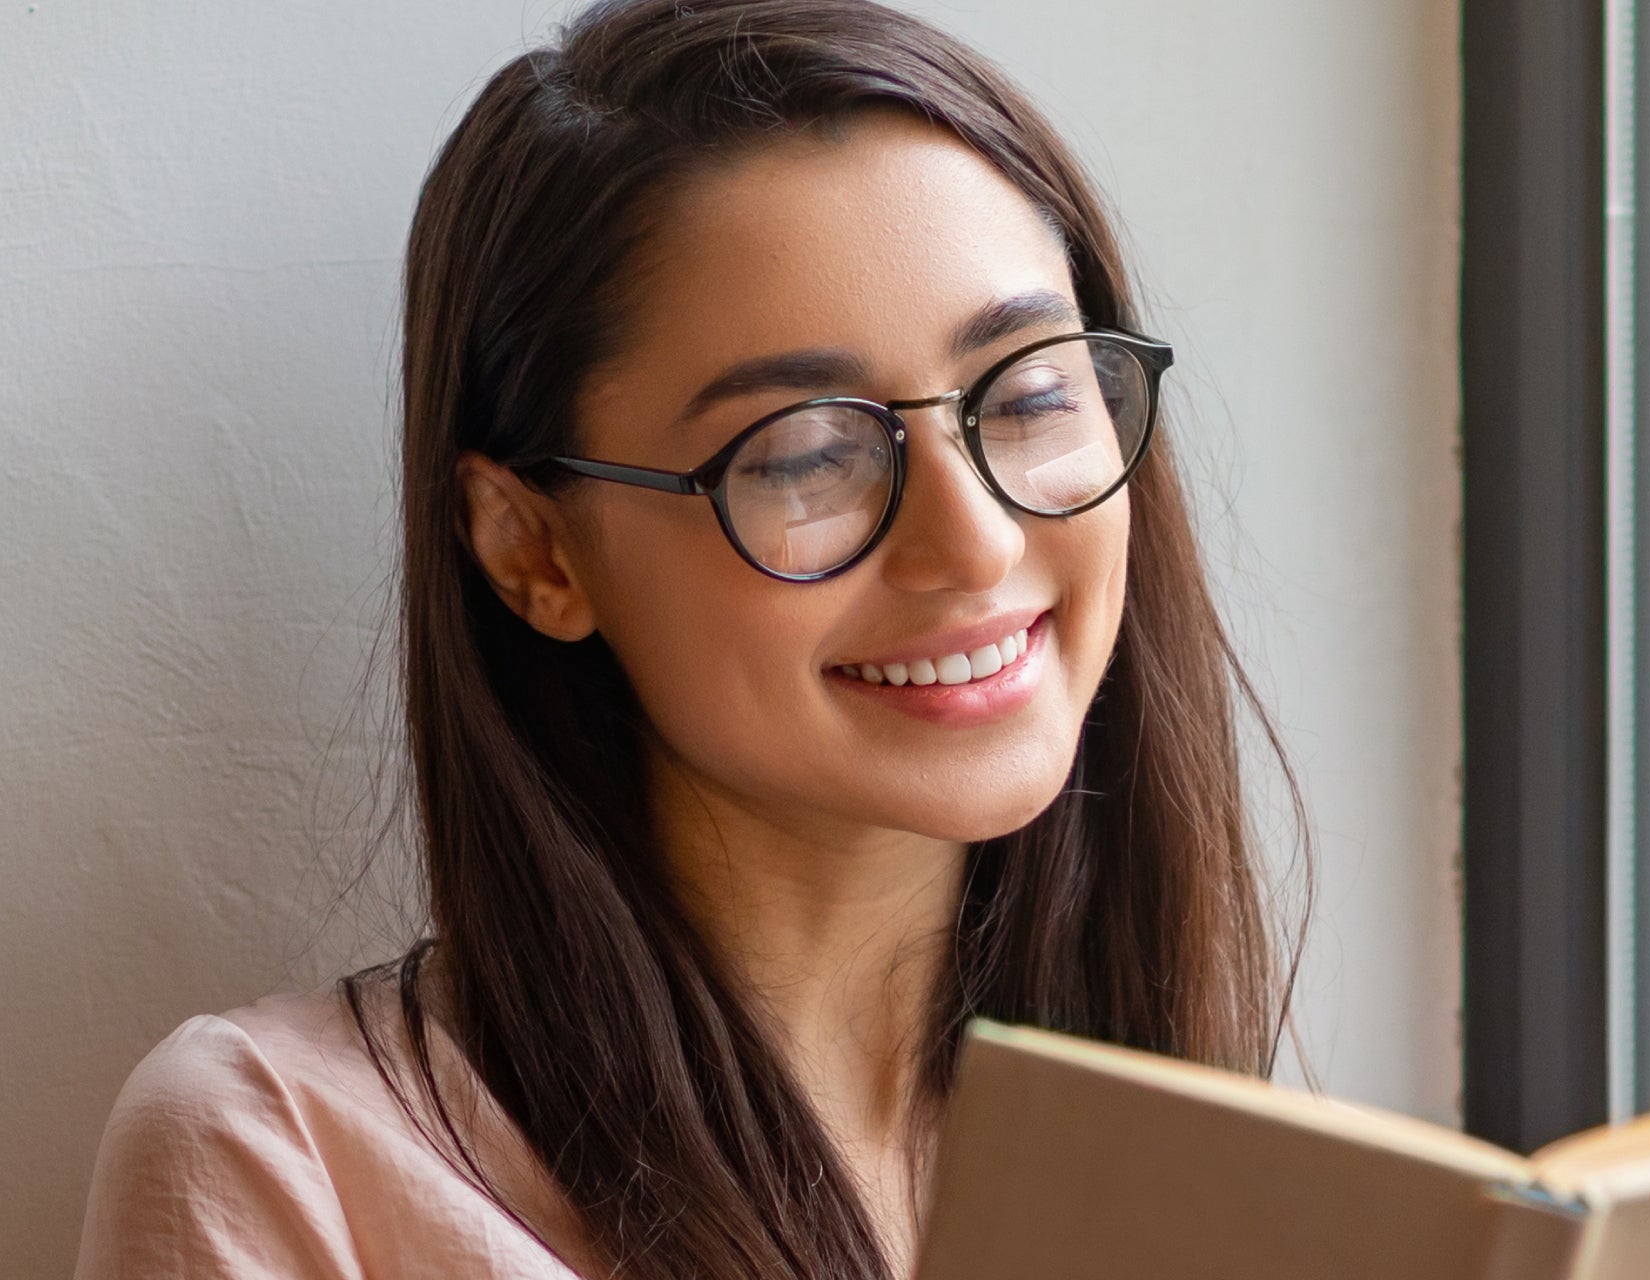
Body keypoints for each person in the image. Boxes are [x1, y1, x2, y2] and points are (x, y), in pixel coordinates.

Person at [72, 0, 1310, 1275]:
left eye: (1032, 390)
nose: (977, 542)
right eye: (808, 451)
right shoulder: (290, 1156)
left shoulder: (1203, 1159)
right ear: (532, 550)